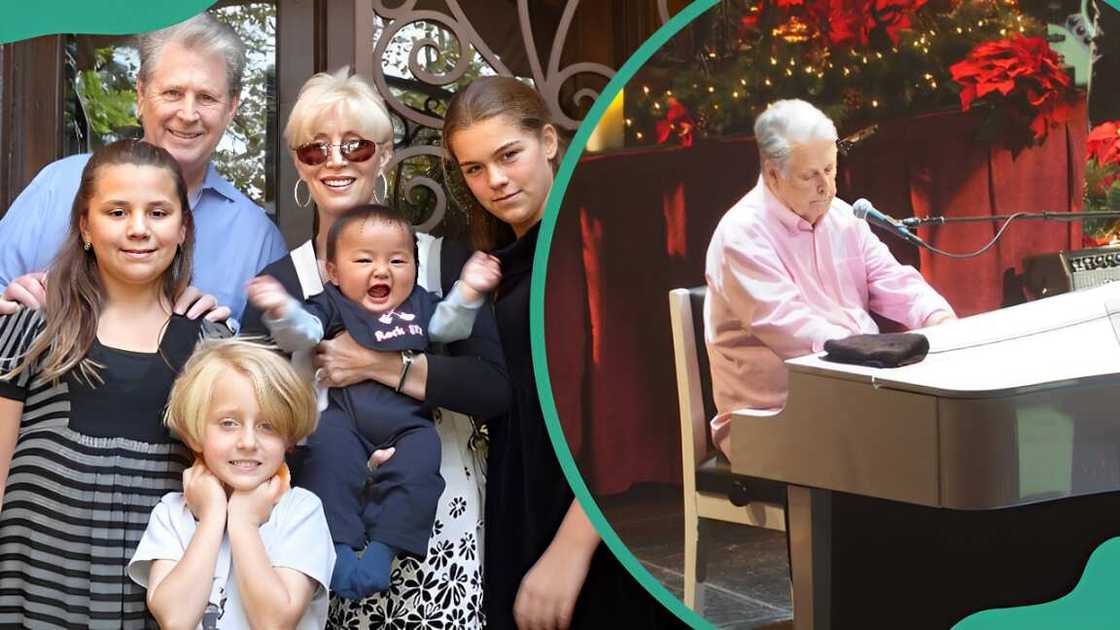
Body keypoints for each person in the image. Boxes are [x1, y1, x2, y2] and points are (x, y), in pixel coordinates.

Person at [239, 68, 508, 629]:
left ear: (383, 155)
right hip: (321, 522)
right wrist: (340, 457)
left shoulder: (441, 265)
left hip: (436, 524)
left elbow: (492, 389)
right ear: (298, 164)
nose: (335, 161)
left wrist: (378, 365)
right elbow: (250, 416)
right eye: (315, 149)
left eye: (355, 145)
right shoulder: (280, 284)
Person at [444, 75, 686, 630]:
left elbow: (639, 406)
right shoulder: (501, 262)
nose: (496, 181)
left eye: (509, 155)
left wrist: (571, 550)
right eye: (474, 169)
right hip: (523, 503)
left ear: (549, 141)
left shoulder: (597, 234)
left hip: (591, 527)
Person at [0, 139, 229, 628]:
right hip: (34, 585)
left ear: (184, 228)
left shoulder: (212, 347)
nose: (139, 229)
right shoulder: (31, 330)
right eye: (117, 211)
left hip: (151, 595)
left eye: (159, 212)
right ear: (85, 225)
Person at [247, 204, 500, 598]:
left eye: (398, 260)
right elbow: (303, 334)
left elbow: (449, 325)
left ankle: (384, 550)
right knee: (327, 463)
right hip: (343, 418)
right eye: (364, 260)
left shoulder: (419, 303)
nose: (382, 270)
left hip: (408, 423)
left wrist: (468, 289)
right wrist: (282, 309)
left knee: (420, 465)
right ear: (333, 271)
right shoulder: (331, 302)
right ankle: (342, 553)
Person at [704, 98, 956, 458]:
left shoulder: (841, 216)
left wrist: (938, 317)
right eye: (810, 176)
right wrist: (876, 357)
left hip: (856, 393)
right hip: (774, 415)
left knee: (953, 438)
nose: (827, 187)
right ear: (773, 174)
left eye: (830, 169)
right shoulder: (741, 235)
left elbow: (892, 278)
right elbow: (794, 329)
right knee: (925, 448)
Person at [0, 12, 287, 322]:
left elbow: (271, 362)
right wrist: (6, 306)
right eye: (172, 93)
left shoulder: (258, 239)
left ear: (231, 108)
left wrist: (223, 340)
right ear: (140, 95)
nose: (188, 113)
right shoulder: (59, 184)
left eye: (206, 97)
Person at [128, 338, 335, 629]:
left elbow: (273, 623)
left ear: (288, 439)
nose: (248, 442)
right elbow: (175, 620)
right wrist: (213, 516)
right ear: (194, 433)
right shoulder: (172, 513)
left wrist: (244, 522)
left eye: (268, 426)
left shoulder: (301, 510)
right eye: (228, 423)